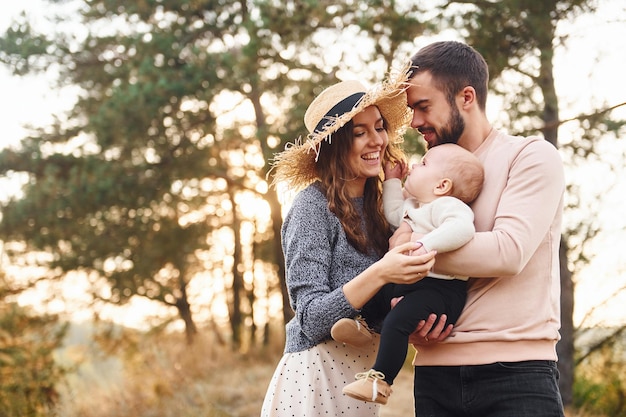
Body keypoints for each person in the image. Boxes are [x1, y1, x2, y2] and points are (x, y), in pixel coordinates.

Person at [397, 40, 566, 416]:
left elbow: (507, 253)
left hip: (517, 376)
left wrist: (407, 251)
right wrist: (402, 307)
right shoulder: (424, 174)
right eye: (411, 110)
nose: (414, 122)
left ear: (466, 97)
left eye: (423, 107)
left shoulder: (530, 156)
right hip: (433, 376)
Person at [260, 73, 439, 417]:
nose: (377, 141)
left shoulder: (386, 205)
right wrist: (381, 271)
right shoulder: (311, 207)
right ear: (334, 145)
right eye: (360, 133)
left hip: (362, 381)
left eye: (379, 127)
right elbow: (310, 318)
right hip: (315, 377)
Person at [337, 143, 484, 404]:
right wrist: (392, 180)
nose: (415, 165)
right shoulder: (416, 205)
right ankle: (366, 327)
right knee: (377, 289)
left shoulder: (449, 206)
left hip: (440, 290)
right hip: (415, 282)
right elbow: (393, 212)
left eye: (424, 164)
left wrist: (423, 244)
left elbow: (462, 229)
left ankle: (380, 382)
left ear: (442, 186)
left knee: (397, 321)